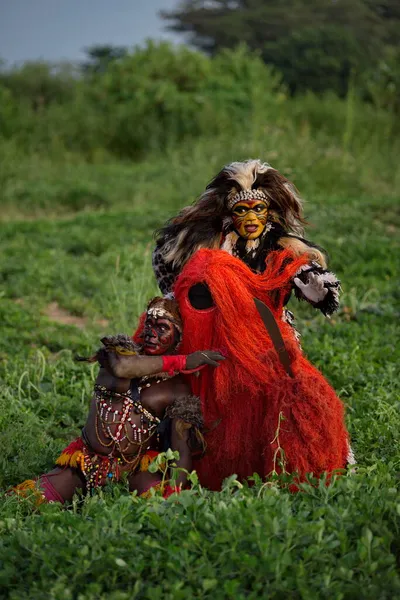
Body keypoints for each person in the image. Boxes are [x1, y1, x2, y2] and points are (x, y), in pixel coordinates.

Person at [173, 247, 353, 491]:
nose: (249, 218)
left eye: (257, 208)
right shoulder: (180, 315)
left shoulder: (254, 334)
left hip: (254, 335)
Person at [13, 297, 224, 503]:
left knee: (160, 507)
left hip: (133, 470)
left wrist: (175, 493)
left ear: (178, 337)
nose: (152, 333)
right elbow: (124, 369)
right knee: (27, 500)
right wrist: (183, 361)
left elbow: (181, 452)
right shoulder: (116, 355)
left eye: (162, 328)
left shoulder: (178, 389)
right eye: (149, 324)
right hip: (85, 463)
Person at [153, 159, 341, 333]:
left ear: (269, 213)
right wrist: (176, 299)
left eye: (258, 209)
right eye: (242, 210)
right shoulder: (213, 243)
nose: (251, 218)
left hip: (267, 332)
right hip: (216, 330)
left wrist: (318, 294)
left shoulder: (282, 246)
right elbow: (164, 255)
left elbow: (305, 271)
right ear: (230, 214)